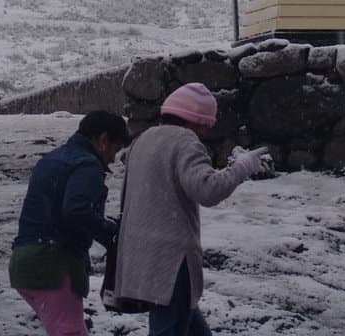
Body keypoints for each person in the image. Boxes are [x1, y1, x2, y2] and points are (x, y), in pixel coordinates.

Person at [112, 82, 267, 336]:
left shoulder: (143, 140)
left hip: (140, 256)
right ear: (194, 119)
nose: (205, 132)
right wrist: (241, 168)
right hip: (171, 262)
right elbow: (207, 190)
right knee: (169, 327)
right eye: (206, 124)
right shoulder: (185, 141)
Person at [10, 110, 130, 336]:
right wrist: (111, 234)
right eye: (115, 149)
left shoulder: (52, 158)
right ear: (103, 140)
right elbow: (76, 210)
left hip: (23, 262)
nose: (113, 159)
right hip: (54, 265)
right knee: (69, 332)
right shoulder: (88, 164)